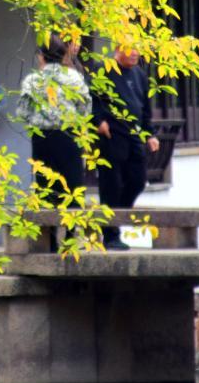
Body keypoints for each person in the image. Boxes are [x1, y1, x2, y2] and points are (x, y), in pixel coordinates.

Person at [92, 48, 160, 250]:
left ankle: (114, 218)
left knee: (138, 180)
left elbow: (144, 108)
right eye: (130, 49)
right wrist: (99, 120)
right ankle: (111, 235)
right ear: (118, 49)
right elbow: (93, 100)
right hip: (111, 135)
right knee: (110, 184)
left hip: (134, 135)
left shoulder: (139, 74)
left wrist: (150, 134)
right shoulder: (103, 70)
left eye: (137, 49)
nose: (135, 53)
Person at [17, 34, 91, 209]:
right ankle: (71, 232)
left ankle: (47, 234)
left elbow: (23, 112)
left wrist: (38, 118)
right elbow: (85, 109)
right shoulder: (74, 78)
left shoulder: (33, 80)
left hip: (42, 138)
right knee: (72, 184)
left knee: (45, 187)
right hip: (69, 136)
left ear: (41, 56)